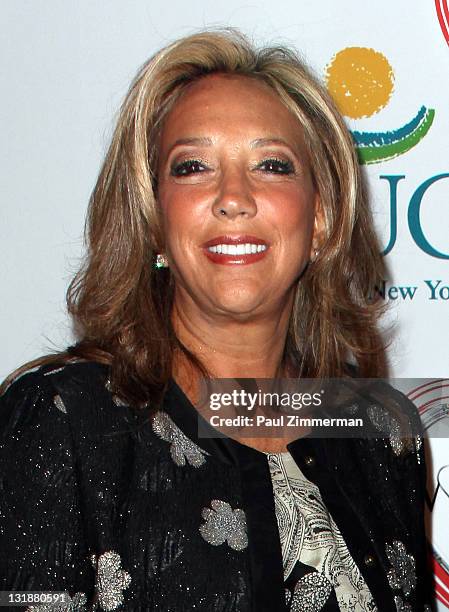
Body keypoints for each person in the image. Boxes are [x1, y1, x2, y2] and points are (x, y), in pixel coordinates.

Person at [0, 29, 433, 611]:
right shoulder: (62, 422)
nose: (234, 197)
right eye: (194, 166)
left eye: (272, 165)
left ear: (323, 221)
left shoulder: (383, 432)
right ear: (153, 219)